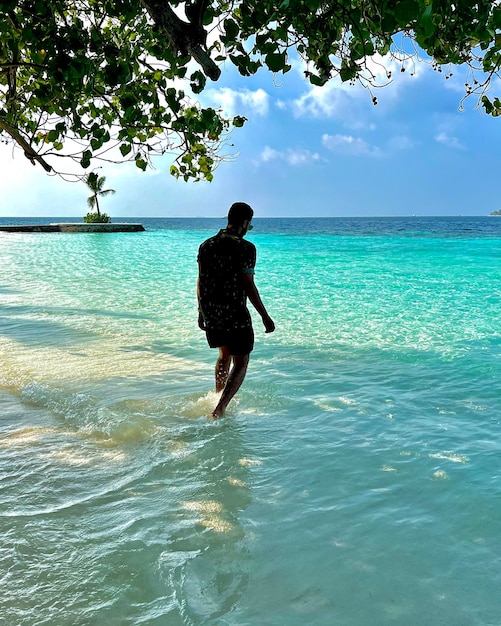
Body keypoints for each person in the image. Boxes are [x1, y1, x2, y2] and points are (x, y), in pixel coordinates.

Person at [197, 202, 275, 418]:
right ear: (245, 222)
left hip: (212, 310)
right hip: (235, 312)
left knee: (224, 355)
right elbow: (248, 284)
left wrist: (200, 310)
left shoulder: (206, 245)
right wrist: (265, 316)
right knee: (241, 360)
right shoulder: (246, 248)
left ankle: (217, 394)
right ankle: (220, 408)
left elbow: (201, 280)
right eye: (249, 224)